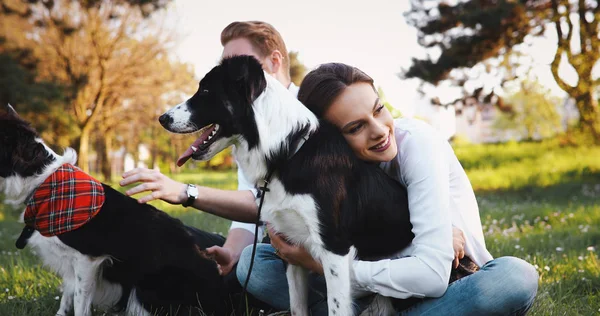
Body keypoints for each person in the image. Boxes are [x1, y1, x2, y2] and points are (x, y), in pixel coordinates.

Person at [235, 63, 539, 315]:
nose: (380, 130)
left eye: (378, 109)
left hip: (450, 284)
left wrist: (322, 265)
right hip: (368, 286)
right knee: (254, 261)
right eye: (356, 128)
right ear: (330, 141)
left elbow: (431, 277)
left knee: (514, 278)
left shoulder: (417, 143)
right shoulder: (328, 169)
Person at [119, 20, 297, 283]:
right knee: (154, 231)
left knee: (254, 269)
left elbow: (266, 203)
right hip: (261, 251)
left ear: (273, 62)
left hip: (305, 257)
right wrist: (230, 253)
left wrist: (186, 192)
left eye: (234, 65)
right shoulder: (244, 129)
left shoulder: (315, 113)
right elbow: (248, 214)